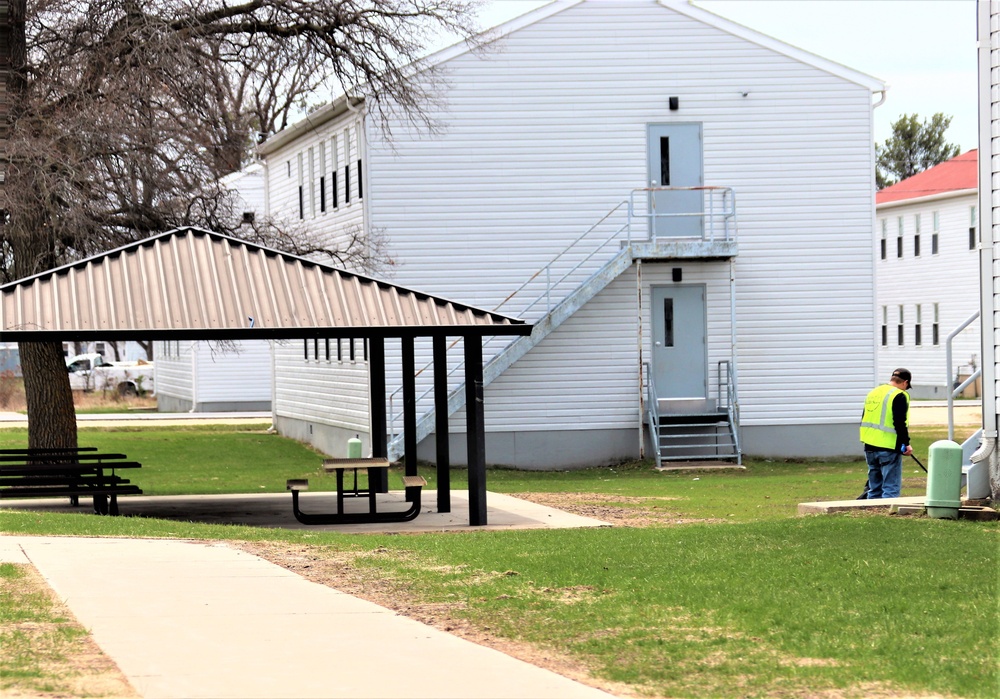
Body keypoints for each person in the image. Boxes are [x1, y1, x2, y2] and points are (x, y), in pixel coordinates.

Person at [859, 368, 912, 499]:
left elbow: (864, 417)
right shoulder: (899, 395)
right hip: (888, 446)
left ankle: (873, 512)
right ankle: (888, 512)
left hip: (869, 444)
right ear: (905, 382)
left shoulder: (873, 392)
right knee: (890, 488)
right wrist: (906, 443)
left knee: (874, 487)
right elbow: (899, 422)